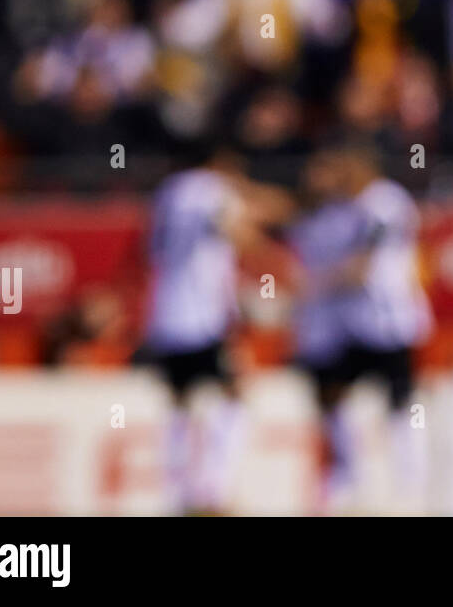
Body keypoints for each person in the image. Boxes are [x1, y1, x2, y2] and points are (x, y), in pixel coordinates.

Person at [139, 141, 288, 515]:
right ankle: (213, 488)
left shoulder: (170, 191)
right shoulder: (213, 190)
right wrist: (267, 250)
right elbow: (234, 229)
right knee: (235, 393)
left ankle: (176, 492)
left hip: (165, 313)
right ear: (223, 163)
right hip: (202, 316)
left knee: (179, 402)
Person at [287, 137, 433, 513]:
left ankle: (410, 484)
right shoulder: (342, 207)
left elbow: (362, 264)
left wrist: (313, 284)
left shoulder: (384, 202)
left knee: (399, 401)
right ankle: (349, 476)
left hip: (389, 319)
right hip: (354, 323)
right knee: (334, 394)